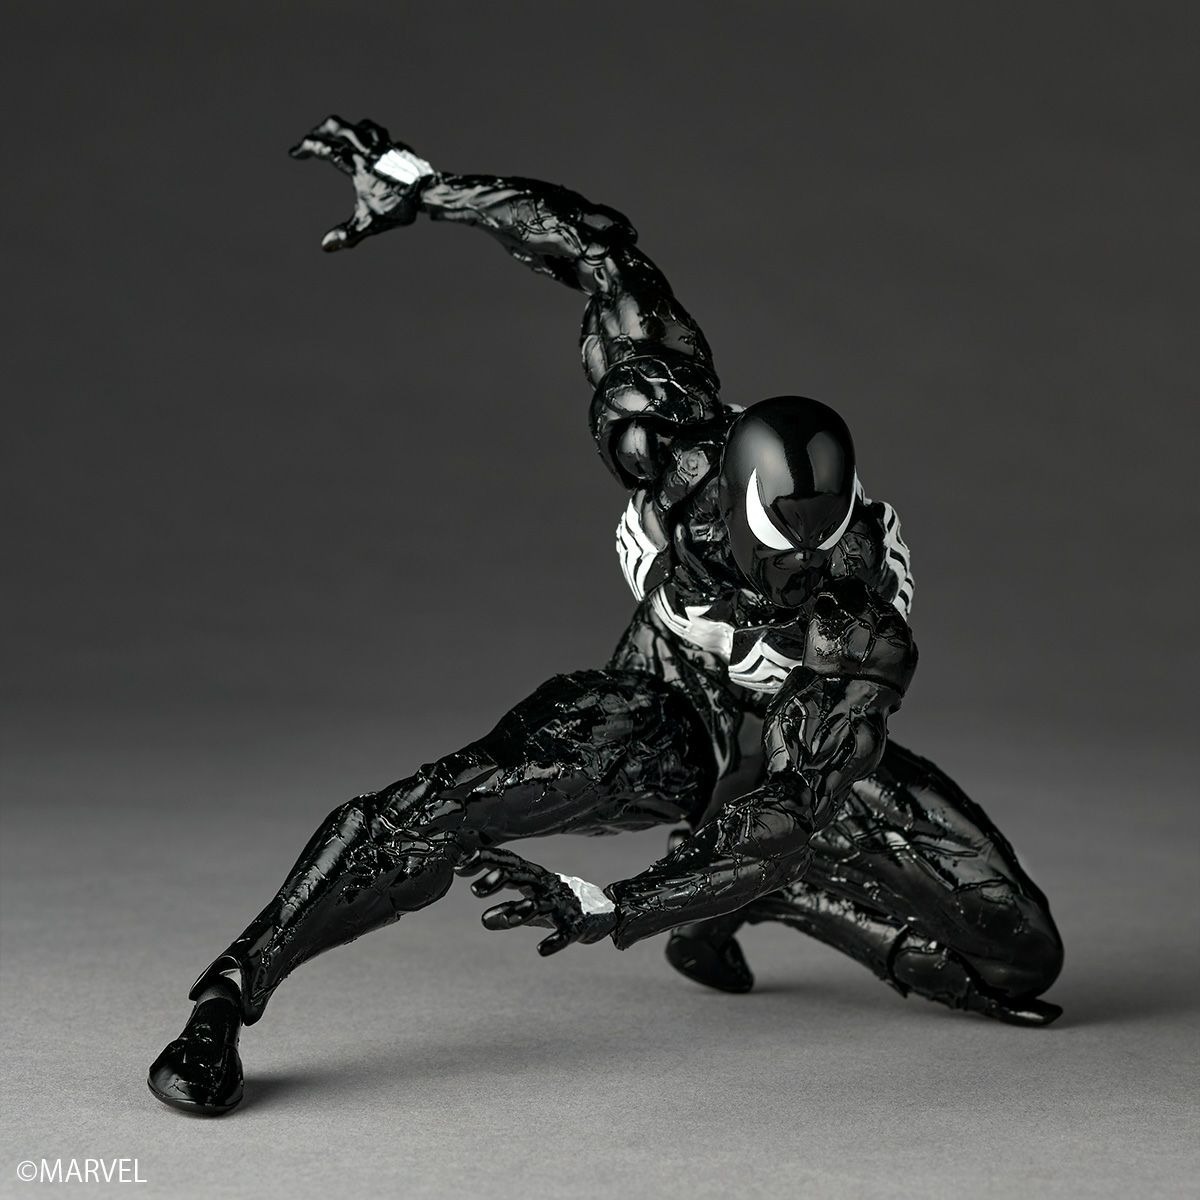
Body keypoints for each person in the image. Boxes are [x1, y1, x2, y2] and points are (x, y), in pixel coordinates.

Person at [148, 116, 1063, 1115]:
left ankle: (760, 904)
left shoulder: (859, 625)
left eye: (818, 547)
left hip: (798, 748)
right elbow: (596, 249)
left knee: (1018, 951)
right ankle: (227, 998)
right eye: (775, 543)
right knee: (450, 800)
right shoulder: (668, 435)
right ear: (725, 494)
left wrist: (615, 903)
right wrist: (424, 186)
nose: (796, 571)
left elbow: (791, 819)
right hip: (664, 709)